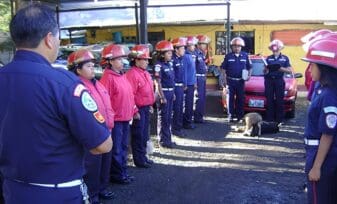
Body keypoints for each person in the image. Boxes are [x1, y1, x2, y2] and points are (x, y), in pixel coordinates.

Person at [0, 4, 112, 204]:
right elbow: (102, 145)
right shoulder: (64, 84)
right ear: (49, 39)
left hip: (12, 191)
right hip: (58, 193)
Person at [67, 49, 115, 203]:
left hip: (105, 130)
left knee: (104, 164)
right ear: (78, 69)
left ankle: (102, 189)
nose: (93, 68)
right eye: (88, 66)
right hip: (92, 135)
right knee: (92, 168)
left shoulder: (97, 84)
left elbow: (107, 104)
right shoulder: (78, 88)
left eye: (93, 65)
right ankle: (92, 196)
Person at [301, 38, 337, 204]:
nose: (309, 69)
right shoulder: (323, 91)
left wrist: (316, 167)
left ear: (324, 68)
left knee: (318, 199)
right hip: (315, 152)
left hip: (321, 156)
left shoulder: (328, 95)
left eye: (312, 65)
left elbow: (328, 134)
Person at [100, 44, 138, 184]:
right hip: (115, 121)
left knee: (122, 147)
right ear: (110, 61)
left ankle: (122, 172)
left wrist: (134, 110)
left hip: (124, 118)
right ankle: (117, 175)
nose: (123, 62)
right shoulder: (108, 78)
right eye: (119, 59)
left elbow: (129, 96)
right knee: (116, 149)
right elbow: (104, 102)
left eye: (122, 59)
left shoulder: (121, 76)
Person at [126, 44, 155, 168]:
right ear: (136, 60)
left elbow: (148, 91)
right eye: (144, 59)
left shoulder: (144, 73)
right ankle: (139, 160)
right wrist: (135, 111)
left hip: (145, 107)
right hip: (138, 109)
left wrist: (150, 104)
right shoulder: (132, 74)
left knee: (144, 134)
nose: (147, 62)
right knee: (138, 134)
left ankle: (143, 156)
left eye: (147, 59)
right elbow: (130, 95)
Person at [221, 37, 252, 122]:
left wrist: (249, 76)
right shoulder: (228, 56)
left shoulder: (245, 56)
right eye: (235, 46)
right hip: (230, 81)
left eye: (239, 46)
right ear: (232, 47)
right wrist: (224, 80)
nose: (237, 48)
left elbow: (250, 67)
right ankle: (230, 116)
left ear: (241, 47)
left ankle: (240, 117)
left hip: (241, 82)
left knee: (240, 99)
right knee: (230, 99)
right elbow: (223, 69)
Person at [154, 40, 176, 148]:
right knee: (163, 118)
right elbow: (158, 82)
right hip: (164, 94)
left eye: (171, 52)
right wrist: (162, 96)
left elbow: (171, 80)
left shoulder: (169, 64)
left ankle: (168, 138)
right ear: (162, 54)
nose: (171, 54)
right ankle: (163, 140)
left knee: (168, 117)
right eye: (168, 53)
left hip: (170, 92)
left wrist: (173, 93)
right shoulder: (159, 66)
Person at [264, 39, 292, 123]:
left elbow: (289, 70)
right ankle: (269, 119)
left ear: (280, 48)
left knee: (280, 100)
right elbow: (265, 71)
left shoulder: (285, 58)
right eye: (273, 49)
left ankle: (279, 120)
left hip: (279, 81)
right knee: (269, 100)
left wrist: (280, 68)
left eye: (277, 48)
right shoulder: (268, 58)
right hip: (269, 81)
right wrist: (266, 69)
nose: (275, 50)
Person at [171, 37, 187, 136]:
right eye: (182, 48)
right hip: (175, 87)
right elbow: (172, 76)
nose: (184, 50)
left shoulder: (180, 59)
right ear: (176, 49)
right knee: (176, 109)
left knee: (180, 108)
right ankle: (175, 129)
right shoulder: (173, 60)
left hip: (180, 87)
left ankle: (178, 127)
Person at [194, 34, 211, 123]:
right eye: (204, 44)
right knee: (199, 98)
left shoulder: (202, 54)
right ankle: (197, 117)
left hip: (202, 78)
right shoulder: (195, 54)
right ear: (198, 44)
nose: (205, 46)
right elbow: (193, 69)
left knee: (202, 98)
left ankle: (200, 116)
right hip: (197, 78)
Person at [183, 36, 198, 129]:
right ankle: (187, 123)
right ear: (188, 46)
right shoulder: (186, 57)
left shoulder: (191, 56)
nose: (194, 47)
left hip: (191, 83)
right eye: (193, 45)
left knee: (190, 104)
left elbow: (193, 71)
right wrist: (185, 84)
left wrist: (195, 82)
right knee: (188, 104)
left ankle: (188, 121)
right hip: (187, 85)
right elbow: (184, 72)